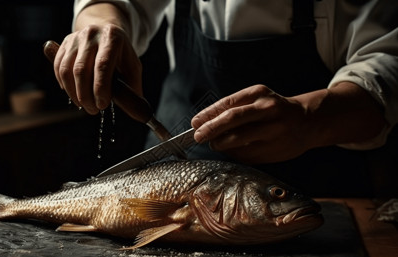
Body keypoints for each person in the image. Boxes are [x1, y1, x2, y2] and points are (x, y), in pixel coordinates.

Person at [52, 0, 398, 196]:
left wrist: (310, 119)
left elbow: (388, 60)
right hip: (171, 168)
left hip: (315, 182)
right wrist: (97, 21)